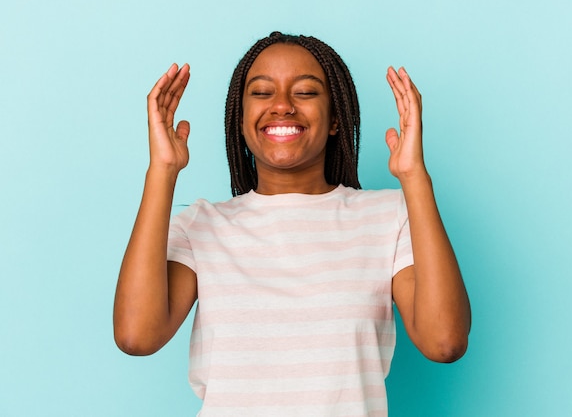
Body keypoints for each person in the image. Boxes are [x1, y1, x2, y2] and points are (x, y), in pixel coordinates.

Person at [114, 31, 471, 416]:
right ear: (240, 118)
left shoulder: (389, 216)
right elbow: (137, 336)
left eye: (305, 92)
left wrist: (415, 176)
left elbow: (444, 342)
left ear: (335, 119)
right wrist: (162, 172)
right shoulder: (202, 225)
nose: (282, 106)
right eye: (262, 92)